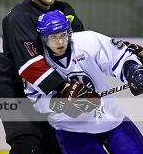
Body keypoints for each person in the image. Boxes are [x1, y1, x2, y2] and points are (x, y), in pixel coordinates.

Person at [0, 0, 85, 154]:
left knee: (57, 148)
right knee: (28, 146)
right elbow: (31, 66)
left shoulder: (65, 11)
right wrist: (67, 88)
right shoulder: (19, 17)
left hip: (49, 94)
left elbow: (81, 50)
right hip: (16, 94)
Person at [24, 9, 143, 154]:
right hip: (72, 130)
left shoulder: (87, 41)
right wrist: (63, 103)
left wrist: (133, 71)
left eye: (63, 34)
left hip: (111, 120)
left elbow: (119, 57)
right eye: (53, 37)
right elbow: (37, 101)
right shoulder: (37, 62)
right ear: (43, 38)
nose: (60, 41)